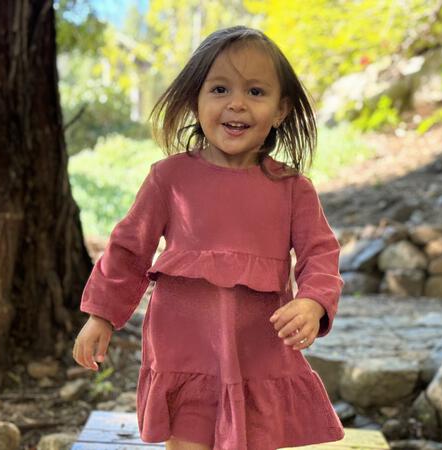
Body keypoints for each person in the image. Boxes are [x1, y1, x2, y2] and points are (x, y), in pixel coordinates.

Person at [72, 25, 345, 450]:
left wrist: (313, 301)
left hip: (260, 353)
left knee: (256, 437)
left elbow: (320, 254)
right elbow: (128, 250)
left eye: (256, 92)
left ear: (281, 110)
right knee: (188, 440)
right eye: (219, 89)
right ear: (195, 100)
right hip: (185, 352)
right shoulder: (170, 179)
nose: (236, 103)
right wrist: (101, 315)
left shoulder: (292, 189)